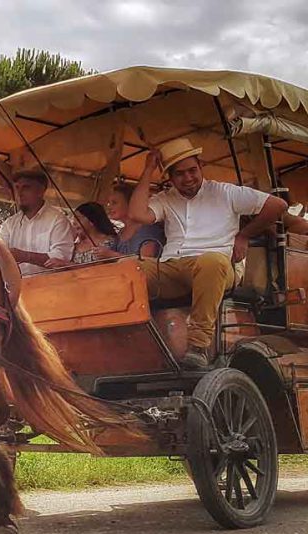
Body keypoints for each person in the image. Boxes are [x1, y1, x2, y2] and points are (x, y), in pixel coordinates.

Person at [128, 137, 288, 369]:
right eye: (180, 174)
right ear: (170, 178)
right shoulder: (165, 198)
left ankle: (198, 346)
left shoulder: (225, 192)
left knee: (211, 261)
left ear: (201, 166)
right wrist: (148, 169)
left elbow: (278, 205)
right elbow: (136, 215)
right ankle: (132, 345)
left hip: (218, 267)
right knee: (129, 269)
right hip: (174, 267)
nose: (188, 178)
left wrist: (243, 235)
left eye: (192, 170)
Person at [0, 169, 74, 275]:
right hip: (17, 286)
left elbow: (60, 258)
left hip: (51, 285)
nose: (19, 193)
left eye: (26, 188)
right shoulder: (10, 224)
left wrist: (25, 256)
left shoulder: (57, 220)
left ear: (41, 191)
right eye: (17, 187)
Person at [100, 183, 165, 258]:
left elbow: (145, 261)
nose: (109, 207)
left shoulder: (149, 228)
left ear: (131, 203)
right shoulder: (121, 233)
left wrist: (111, 255)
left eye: (114, 203)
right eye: (108, 203)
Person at [44, 202, 117, 267]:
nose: (74, 222)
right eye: (74, 218)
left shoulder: (109, 242)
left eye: (78, 218)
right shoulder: (74, 246)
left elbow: (97, 269)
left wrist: (65, 264)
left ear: (91, 221)